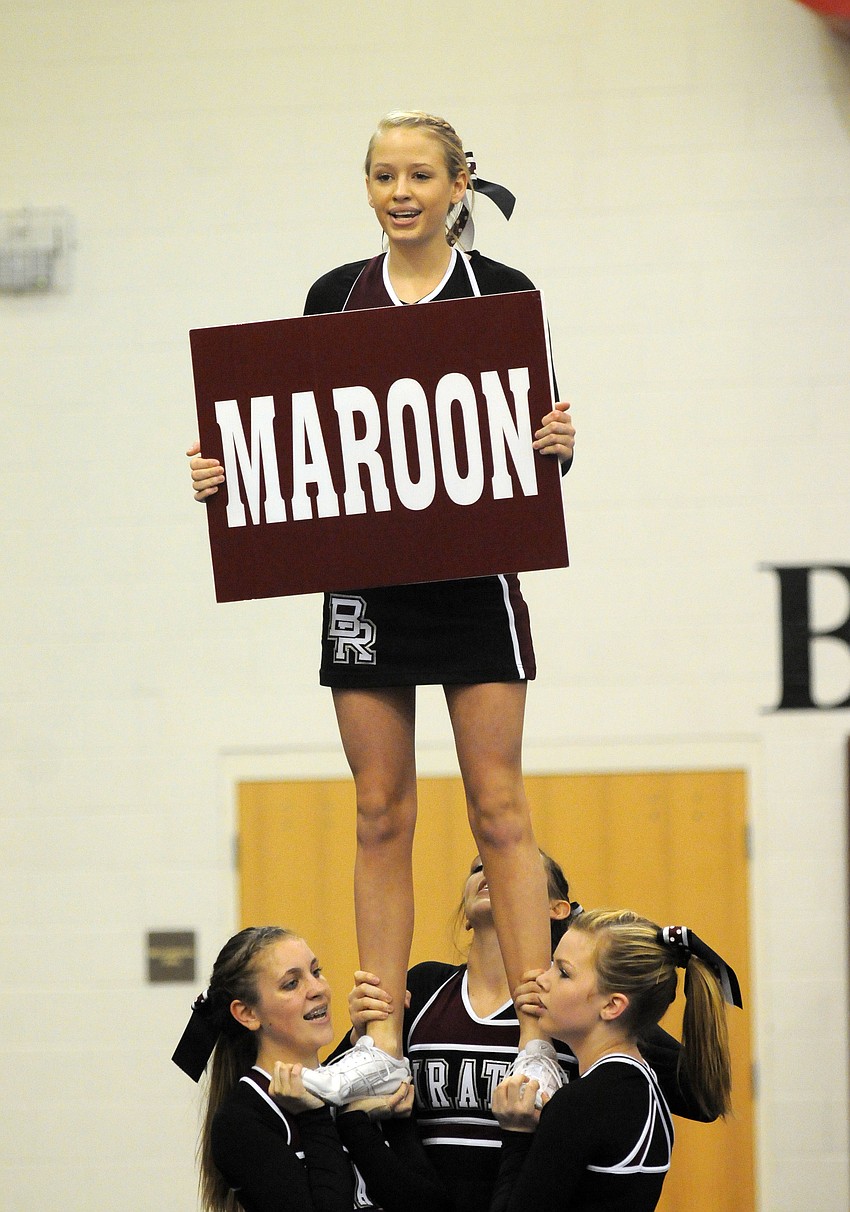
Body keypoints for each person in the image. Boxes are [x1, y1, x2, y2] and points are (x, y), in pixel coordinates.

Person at [187, 110, 576, 1106]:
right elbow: (294, 433)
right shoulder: (334, 296)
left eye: (419, 175)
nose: (400, 191)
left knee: (498, 809)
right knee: (376, 811)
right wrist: (228, 473)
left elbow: (532, 431)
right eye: (383, 175)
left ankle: (535, 1037)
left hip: (472, 576)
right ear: (367, 189)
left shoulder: (502, 292)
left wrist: (556, 439)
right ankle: (381, 1039)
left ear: (458, 187)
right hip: (366, 580)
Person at [338, 856, 720, 1212]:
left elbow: (700, 1095)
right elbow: (332, 1099)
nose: (492, 870)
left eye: (512, 866)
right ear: (466, 917)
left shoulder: (570, 1013)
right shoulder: (421, 987)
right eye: (478, 867)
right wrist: (362, 1037)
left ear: (558, 911)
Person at [172, 925, 452, 1212]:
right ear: (248, 1013)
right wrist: (314, 1117)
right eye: (291, 983)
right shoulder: (242, 1118)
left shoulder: (351, 1083)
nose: (318, 989)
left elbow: (432, 1204)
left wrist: (359, 1121)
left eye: (316, 972)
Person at [489, 909, 741, 1212]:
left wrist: (516, 1133)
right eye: (551, 965)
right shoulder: (647, 1087)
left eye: (563, 972)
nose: (541, 980)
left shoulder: (582, 1103)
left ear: (612, 1005)